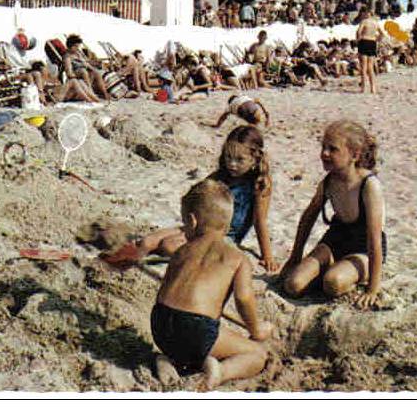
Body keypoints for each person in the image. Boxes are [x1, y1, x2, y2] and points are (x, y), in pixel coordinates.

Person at [151, 179, 274, 389]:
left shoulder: (181, 251)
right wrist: (256, 329)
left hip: (160, 325)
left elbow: (167, 289)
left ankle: (171, 359)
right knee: (257, 354)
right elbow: (244, 298)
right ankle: (219, 373)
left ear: (193, 221)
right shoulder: (237, 258)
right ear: (227, 225)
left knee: (187, 340)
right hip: (196, 330)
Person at [137, 126, 277, 272]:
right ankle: (129, 265)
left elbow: (259, 221)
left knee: (169, 245)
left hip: (223, 236)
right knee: (148, 241)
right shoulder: (220, 176)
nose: (232, 164)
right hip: (199, 226)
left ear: (255, 159)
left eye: (240, 160)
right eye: (228, 157)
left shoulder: (259, 184)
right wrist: (190, 224)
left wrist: (267, 256)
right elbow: (194, 197)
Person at [281, 120, 386, 307]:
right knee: (293, 284)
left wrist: (373, 288)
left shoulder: (368, 185)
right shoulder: (329, 182)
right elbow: (308, 218)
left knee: (333, 283)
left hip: (363, 248)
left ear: (355, 154)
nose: (324, 154)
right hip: (336, 239)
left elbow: (375, 238)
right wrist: (295, 256)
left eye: (333, 149)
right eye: (323, 147)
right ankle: (327, 269)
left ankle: (345, 273)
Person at [355, 6, 382, 94]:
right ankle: (372, 87)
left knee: (363, 67)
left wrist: (358, 40)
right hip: (372, 42)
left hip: (364, 41)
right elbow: (382, 34)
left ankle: (363, 88)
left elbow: (359, 32)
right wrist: (376, 39)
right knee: (370, 67)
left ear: (366, 14)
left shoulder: (364, 21)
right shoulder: (375, 23)